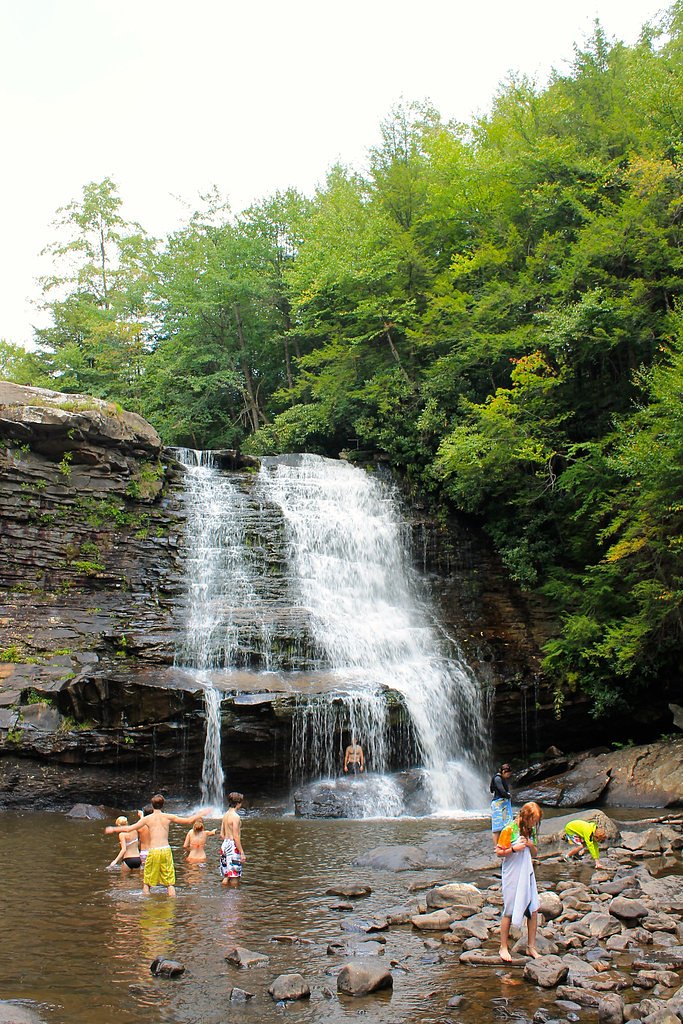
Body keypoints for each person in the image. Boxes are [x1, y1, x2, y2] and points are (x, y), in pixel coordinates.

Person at [105, 794, 209, 897]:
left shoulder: (147, 819)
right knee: (170, 883)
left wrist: (114, 829)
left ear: (152, 804)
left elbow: (129, 828)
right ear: (163, 805)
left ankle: (147, 904)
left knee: (147, 882)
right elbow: (188, 820)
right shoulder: (168, 816)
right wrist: (201, 813)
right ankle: (172, 903)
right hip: (166, 850)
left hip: (154, 851)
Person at [496, 801, 543, 963]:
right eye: (533, 820)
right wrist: (514, 849)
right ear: (525, 816)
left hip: (527, 872)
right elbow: (499, 852)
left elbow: (535, 853)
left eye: (536, 821)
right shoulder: (509, 829)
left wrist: (530, 845)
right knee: (509, 909)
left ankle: (531, 946)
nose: (534, 824)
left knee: (533, 909)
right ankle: (503, 947)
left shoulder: (531, 831)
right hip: (512, 873)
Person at [220, 792, 246, 886]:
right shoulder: (236, 817)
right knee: (235, 875)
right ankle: (233, 898)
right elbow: (236, 836)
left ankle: (223, 895)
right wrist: (242, 852)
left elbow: (221, 834)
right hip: (232, 846)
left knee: (227, 875)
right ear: (238, 803)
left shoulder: (225, 815)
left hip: (225, 844)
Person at [490, 763, 513, 846]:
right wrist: (508, 795)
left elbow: (491, 789)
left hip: (503, 805)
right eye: (508, 773)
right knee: (497, 826)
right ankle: (497, 846)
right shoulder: (497, 779)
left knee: (506, 824)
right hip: (498, 805)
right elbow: (501, 791)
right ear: (504, 771)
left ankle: (504, 842)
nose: (509, 776)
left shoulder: (499, 778)